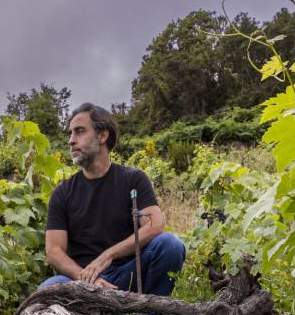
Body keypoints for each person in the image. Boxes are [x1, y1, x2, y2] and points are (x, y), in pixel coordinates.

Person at [41, 103, 186, 294]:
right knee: (48, 289)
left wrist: (107, 256)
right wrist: (86, 278)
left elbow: (155, 225)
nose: (71, 140)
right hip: (84, 282)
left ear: (102, 136)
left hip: (129, 275)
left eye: (79, 132)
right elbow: (53, 251)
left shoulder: (132, 179)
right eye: (70, 133)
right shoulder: (63, 192)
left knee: (170, 245)